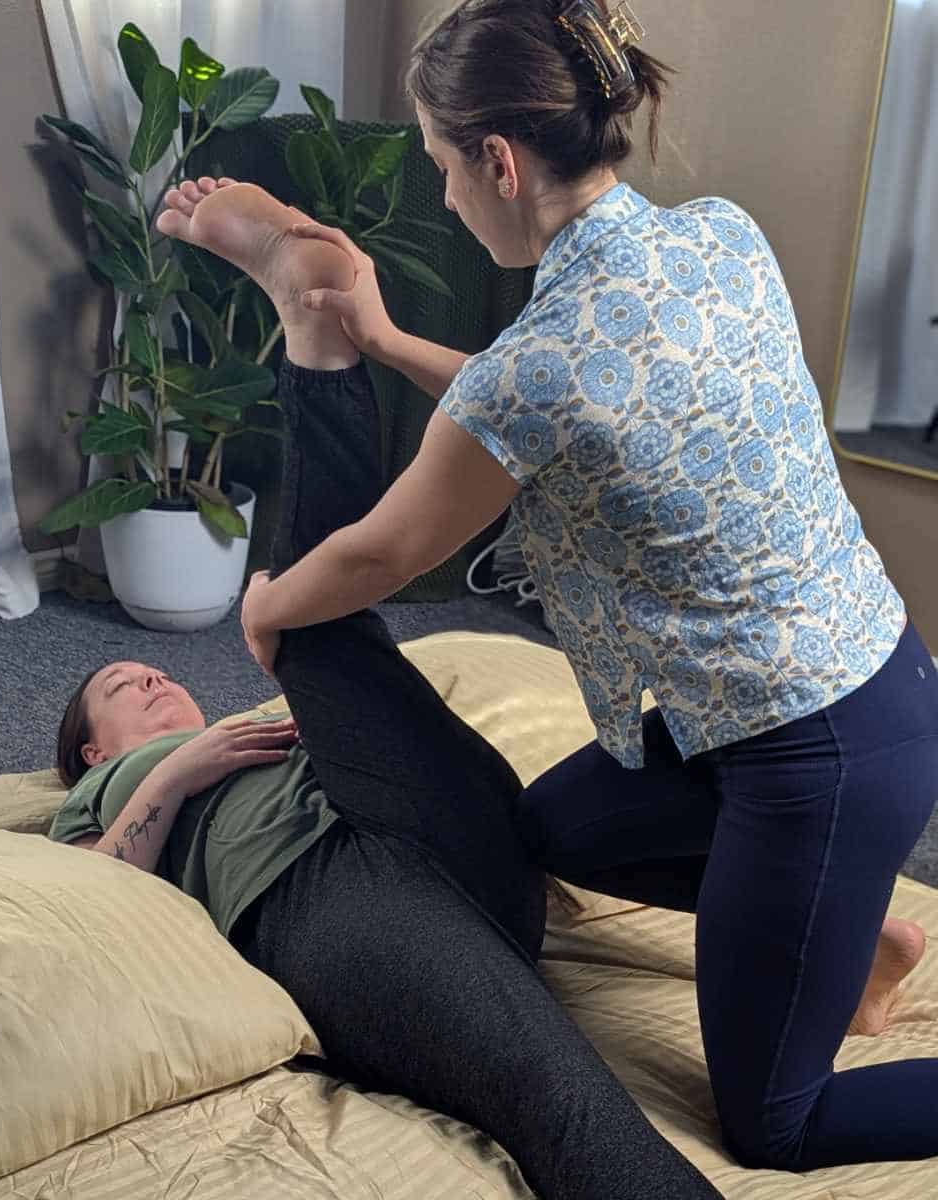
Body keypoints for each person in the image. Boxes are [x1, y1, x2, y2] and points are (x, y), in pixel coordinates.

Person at [155, 0, 938, 1175]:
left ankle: (817, 911)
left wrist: (264, 608)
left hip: (817, 757)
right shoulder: (718, 233)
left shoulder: (542, 366)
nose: (446, 198)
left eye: (441, 168)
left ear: (501, 163)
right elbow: (564, 401)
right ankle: (849, 931)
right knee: (549, 828)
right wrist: (380, 338)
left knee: (775, 1123)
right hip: (856, 683)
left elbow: (383, 554)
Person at [49, 229, 725, 1200]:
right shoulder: (101, 796)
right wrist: (178, 772)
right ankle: (317, 347)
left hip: (447, 841)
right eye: (121, 688)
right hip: (321, 900)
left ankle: (317, 344)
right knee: (556, 1094)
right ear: (90, 749)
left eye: (151, 674)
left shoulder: (272, 720)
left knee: (321, 632)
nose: (152, 680)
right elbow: (92, 898)